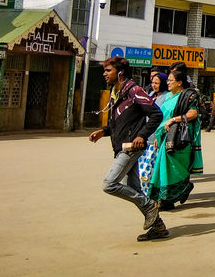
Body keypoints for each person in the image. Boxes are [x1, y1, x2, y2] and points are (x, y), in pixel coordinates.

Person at [87, 56, 165, 241]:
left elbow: (156, 114)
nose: (105, 74)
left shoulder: (134, 91)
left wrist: (142, 135)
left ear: (120, 72)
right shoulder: (116, 92)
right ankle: (159, 227)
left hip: (131, 147)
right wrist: (104, 131)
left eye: (108, 70)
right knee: (133, 187)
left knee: (110, 184)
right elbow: (120, 122)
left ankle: (150, 206)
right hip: (121, 145)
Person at [149, 66, 203, 211]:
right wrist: (159, 135)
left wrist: (174, 120)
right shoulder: (167, 96)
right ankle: (166, 199)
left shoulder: (187, 96)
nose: (168, 83)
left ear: (179, 82)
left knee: (175, 167)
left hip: (179, 138)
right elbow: (162, 118)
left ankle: (179, 191)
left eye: (171, 80)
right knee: (163, 167)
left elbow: (193, 114)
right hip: (164, 136)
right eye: (167, 80)